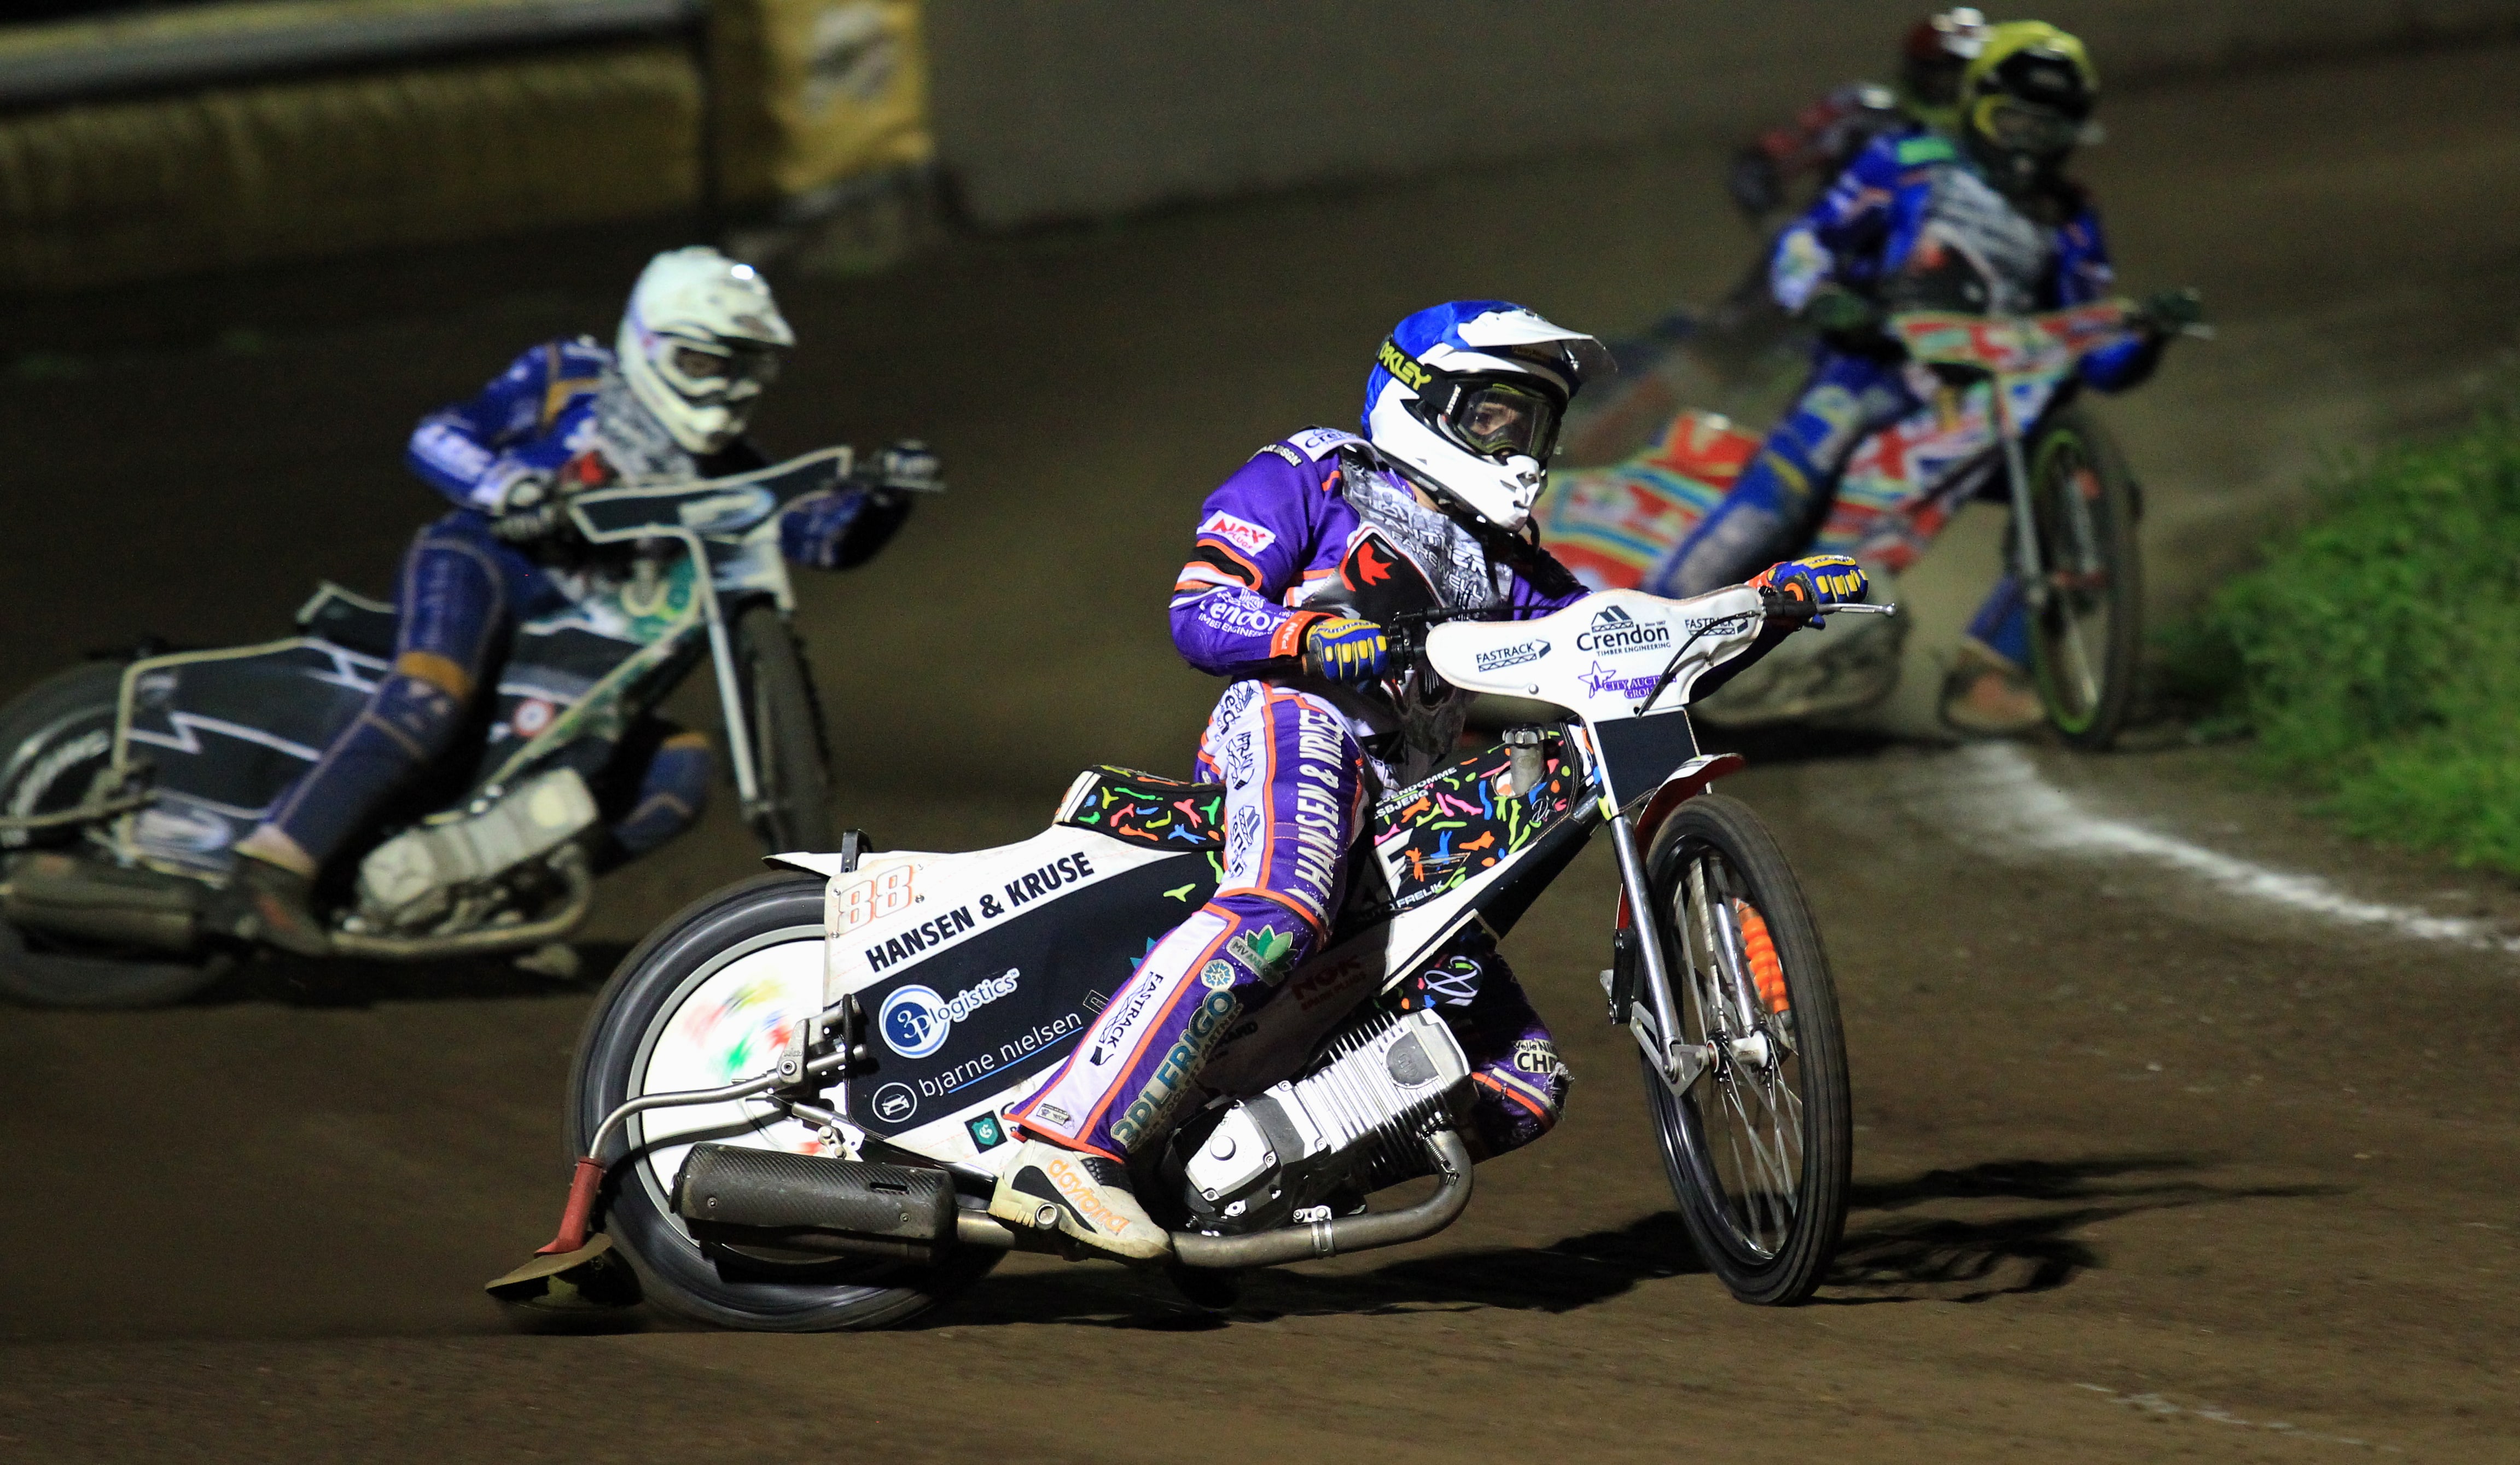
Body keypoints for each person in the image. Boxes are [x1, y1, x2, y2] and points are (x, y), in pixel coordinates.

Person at [987, 301, 1863, 1258]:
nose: (1521, 450)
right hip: (1299, 723)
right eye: (1495, 417)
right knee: (1282, 900)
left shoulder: (1507, 560)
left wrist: (1762, 608)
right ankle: (1064, 1144)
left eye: (1535, 424)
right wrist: (1308, 635)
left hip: (1406, 812)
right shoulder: (1318, 470)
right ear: (1421, 401)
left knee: (1520, 1082)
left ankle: (1232, 1171)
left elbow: (1620, 659)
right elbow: (1198, 608)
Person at [220, 246, 923, 951]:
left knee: (677, 769)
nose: (726, 388)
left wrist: (888, 495)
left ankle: (505, 911)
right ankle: (274, 865)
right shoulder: (568, 373)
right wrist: (508, 487)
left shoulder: (724, 467)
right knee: (430, 695)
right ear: (647, 343)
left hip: (574, 644)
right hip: (483, 563)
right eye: (703, 363)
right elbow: (436, 435)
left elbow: (823, 538)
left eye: (747, 368)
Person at [1654, 21, 2187, 731]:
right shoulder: (1902, 161)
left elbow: (2096, 356)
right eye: (2014, 122)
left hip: (1990, 401)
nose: (2028, 144)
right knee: (1777, 495)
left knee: (2094, 495)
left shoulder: (2071, 217)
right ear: (1977, 108)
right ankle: (1649, 643)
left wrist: (2145, 339)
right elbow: (1810, 238)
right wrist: (1820, 295)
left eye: (2048, 128)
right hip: (1872, 369)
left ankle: (1988, 671)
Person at [1725, 8, 1989, 224]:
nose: (1959, 88)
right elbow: (1756, 167)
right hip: (1842, 253)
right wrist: (1785, 231)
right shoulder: (1863, 112)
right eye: (1951, 76)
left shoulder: (1992, 141)